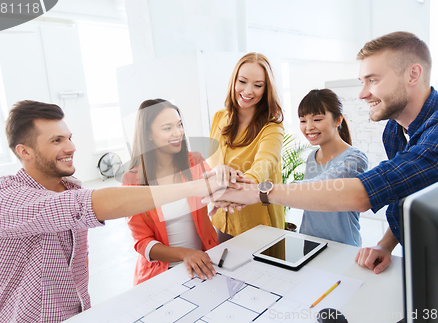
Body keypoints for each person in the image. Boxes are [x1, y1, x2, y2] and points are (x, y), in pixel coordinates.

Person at [205, 31, 438, 274]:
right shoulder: (395, 131)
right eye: (362, 81)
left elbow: (362, 193)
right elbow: (403, 196)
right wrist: (385, 244)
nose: (362, 94)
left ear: (413, 74)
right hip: (427, 257)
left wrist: (258, 192)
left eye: (372, 80)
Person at [0, 100, 246, 322]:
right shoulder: (0, 197)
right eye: (56, 140)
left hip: (81, 315)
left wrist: (223, 187)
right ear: (24, 151)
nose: (71, 147)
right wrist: (196, 186)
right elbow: (91, 206)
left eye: (69, 137)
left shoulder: (70, 188)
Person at [122, 99, 244, 284]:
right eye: (167, 128)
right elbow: (142, 242)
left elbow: (215, 190)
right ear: (148, 134)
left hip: (204, 264)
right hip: (161, 272)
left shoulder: (194, 161)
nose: (178, 132)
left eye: (179, 125)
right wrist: (185, 254)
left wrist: (225, 182)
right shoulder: (132, 180)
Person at [208, 52, 285, 242]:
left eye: (258, 85)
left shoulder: (272, 127)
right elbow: (212, 160)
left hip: (257, 224)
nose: (248, 91)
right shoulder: (219, 118)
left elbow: (265, 164)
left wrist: (236, 192)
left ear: (266, 89)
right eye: (242, 81)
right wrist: (217, 171)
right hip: (221, 219)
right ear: (234, 81)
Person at [296, 89, 368, 246]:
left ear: (338, 120)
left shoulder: (355, 159)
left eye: (317, 119)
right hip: (308, 242)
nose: (308, 127)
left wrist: (269, 191)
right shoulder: (311, 157)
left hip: (342, 248)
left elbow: (320, 186)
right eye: (303, 121)